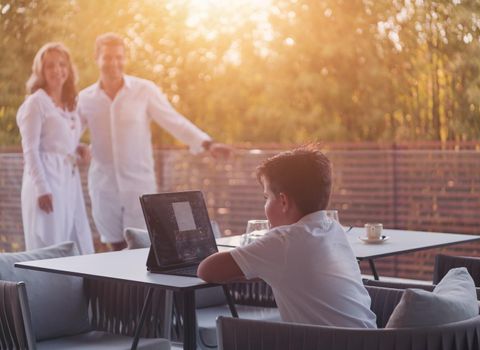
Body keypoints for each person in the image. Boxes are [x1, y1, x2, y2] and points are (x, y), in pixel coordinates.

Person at [78, 33, 232, 251]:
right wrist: (78, 148)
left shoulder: (144, 90)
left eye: (119, 57)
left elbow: (173, 120)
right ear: (97, 58)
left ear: (125, 58)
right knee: (114, 246)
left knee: (141, 245)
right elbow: (70, 133)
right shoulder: (85, 98)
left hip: (138, 183)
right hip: (103, 186)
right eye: (108, 57)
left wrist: (207, 143)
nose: (114, 63)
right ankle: (119, 286)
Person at [198, 147, 377, 328]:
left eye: (266, 197)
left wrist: (258, 266)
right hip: (371, 340)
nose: (265, 204)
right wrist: (263, 268)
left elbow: (206, 270)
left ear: (283, 201)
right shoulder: (333, 228)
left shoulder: (283, 241)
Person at [17, 42, 95, 254]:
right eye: (50, 65)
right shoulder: (36, 103)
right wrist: (42, 188)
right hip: (47, 181)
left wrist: (77, 147)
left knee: (76, 238)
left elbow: (58, 140)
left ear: (68, 69)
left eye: (62, 64)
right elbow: (30, 149)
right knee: (50, 245)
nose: (56, 70)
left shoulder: (71, 104)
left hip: (69, 180)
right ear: (40, 71)